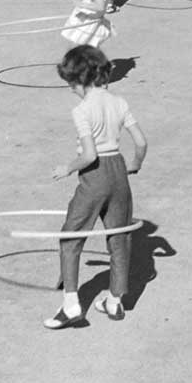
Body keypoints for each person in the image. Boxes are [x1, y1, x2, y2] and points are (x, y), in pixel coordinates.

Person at [45, 45, 148, 329]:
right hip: (119, 171)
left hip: (95, 175)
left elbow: (89, 155)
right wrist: (134, 165)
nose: (71, 90)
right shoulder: (119, 102)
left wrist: (67, 168)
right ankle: (115, 301)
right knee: (119, 237)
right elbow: (141, 142)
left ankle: (71, 305)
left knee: (71, 237)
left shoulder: (82, 110)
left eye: (71, 83)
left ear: (82, 79)